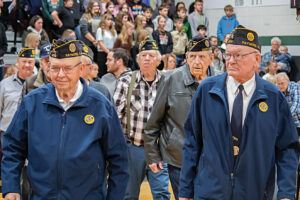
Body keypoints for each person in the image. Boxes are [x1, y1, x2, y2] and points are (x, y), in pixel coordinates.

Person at [178, 25, 299, 200]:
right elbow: (192, 142)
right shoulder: (207, 90)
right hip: (209, 192)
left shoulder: (273, 97)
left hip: (254, 193)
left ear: (257, 59)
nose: (231, 60)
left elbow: (287, 148)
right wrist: (185, 190)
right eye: (228, 54)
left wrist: (287, 193)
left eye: (238, 55)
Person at [1, 39, 129, 200]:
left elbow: (119, 159)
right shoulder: (32, 102)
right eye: (55, 68)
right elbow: (13, 147)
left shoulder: (101, 106)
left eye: (67, 68)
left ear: (81, 69)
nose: (60, 75)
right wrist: (11, 187)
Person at [144, 36, 214, 200]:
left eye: (202, 56)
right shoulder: (170, 79)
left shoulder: (219, 81)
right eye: (192, 56)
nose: (196, 61)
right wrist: (152, 156)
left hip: (211, 159)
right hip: (179, 158)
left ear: (211, 58)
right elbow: (153, 123)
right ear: (186, 58)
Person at [114, 40, 171, 200]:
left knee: (161, 194)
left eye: (151, 55)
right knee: (129, 195)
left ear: (159, 61)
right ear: (138, 60)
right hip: (133, 148)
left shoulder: (168, 83)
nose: (147, 58)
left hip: (159, 150)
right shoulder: (126, 81)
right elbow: (115, 117)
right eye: (143, 55)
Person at [0, 48, 35, 171]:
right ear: (18, 63)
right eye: (24, 61)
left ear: (34, 63)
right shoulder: (4, 84)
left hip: (32, 136)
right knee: (10, 170)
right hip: (8, 134)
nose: (27, 65)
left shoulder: (39, 85)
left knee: (30, 174)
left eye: (30, 62)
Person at [96, 13, 117, 78]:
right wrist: (108, 52)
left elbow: (116, 42)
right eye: (108, 19)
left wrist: (112, 52)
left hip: (112, 52)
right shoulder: (100, 30)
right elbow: (100, 43)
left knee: (111, 72)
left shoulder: (113, 31)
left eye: (111, 20)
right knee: (102, 72)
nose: (110, 21)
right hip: (102, 53)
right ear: (104, 20)